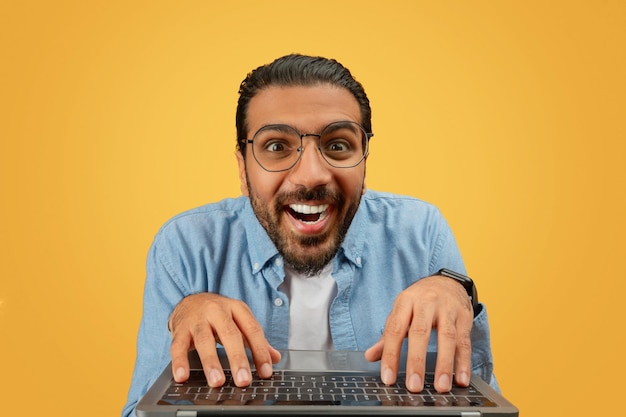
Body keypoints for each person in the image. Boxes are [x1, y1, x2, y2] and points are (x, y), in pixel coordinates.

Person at [122, 54, 498, 417]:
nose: (312, 175)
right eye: (276, 146)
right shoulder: (184, 247)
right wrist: (183, 314)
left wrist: (457, 292)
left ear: (364, 158)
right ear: (243, 166)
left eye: (337, 145)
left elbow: (475, 406)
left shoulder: (422, 233)